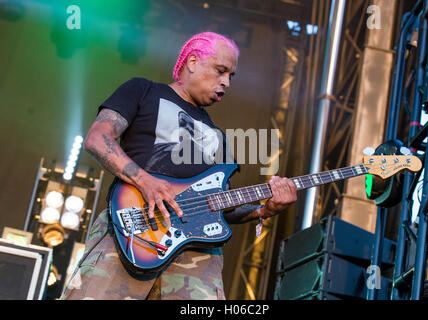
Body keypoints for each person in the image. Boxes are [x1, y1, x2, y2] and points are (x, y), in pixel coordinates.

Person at [61, 31, 297, 300]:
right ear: (193, 61)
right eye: (221, 71)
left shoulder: (219, 138)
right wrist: (145, 181)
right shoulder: (144, 90)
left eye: (231, 76)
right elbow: (98, 139)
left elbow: (219, 208)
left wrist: (265, 210)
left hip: (196, 259)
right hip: (133, 230)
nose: (226, 82)